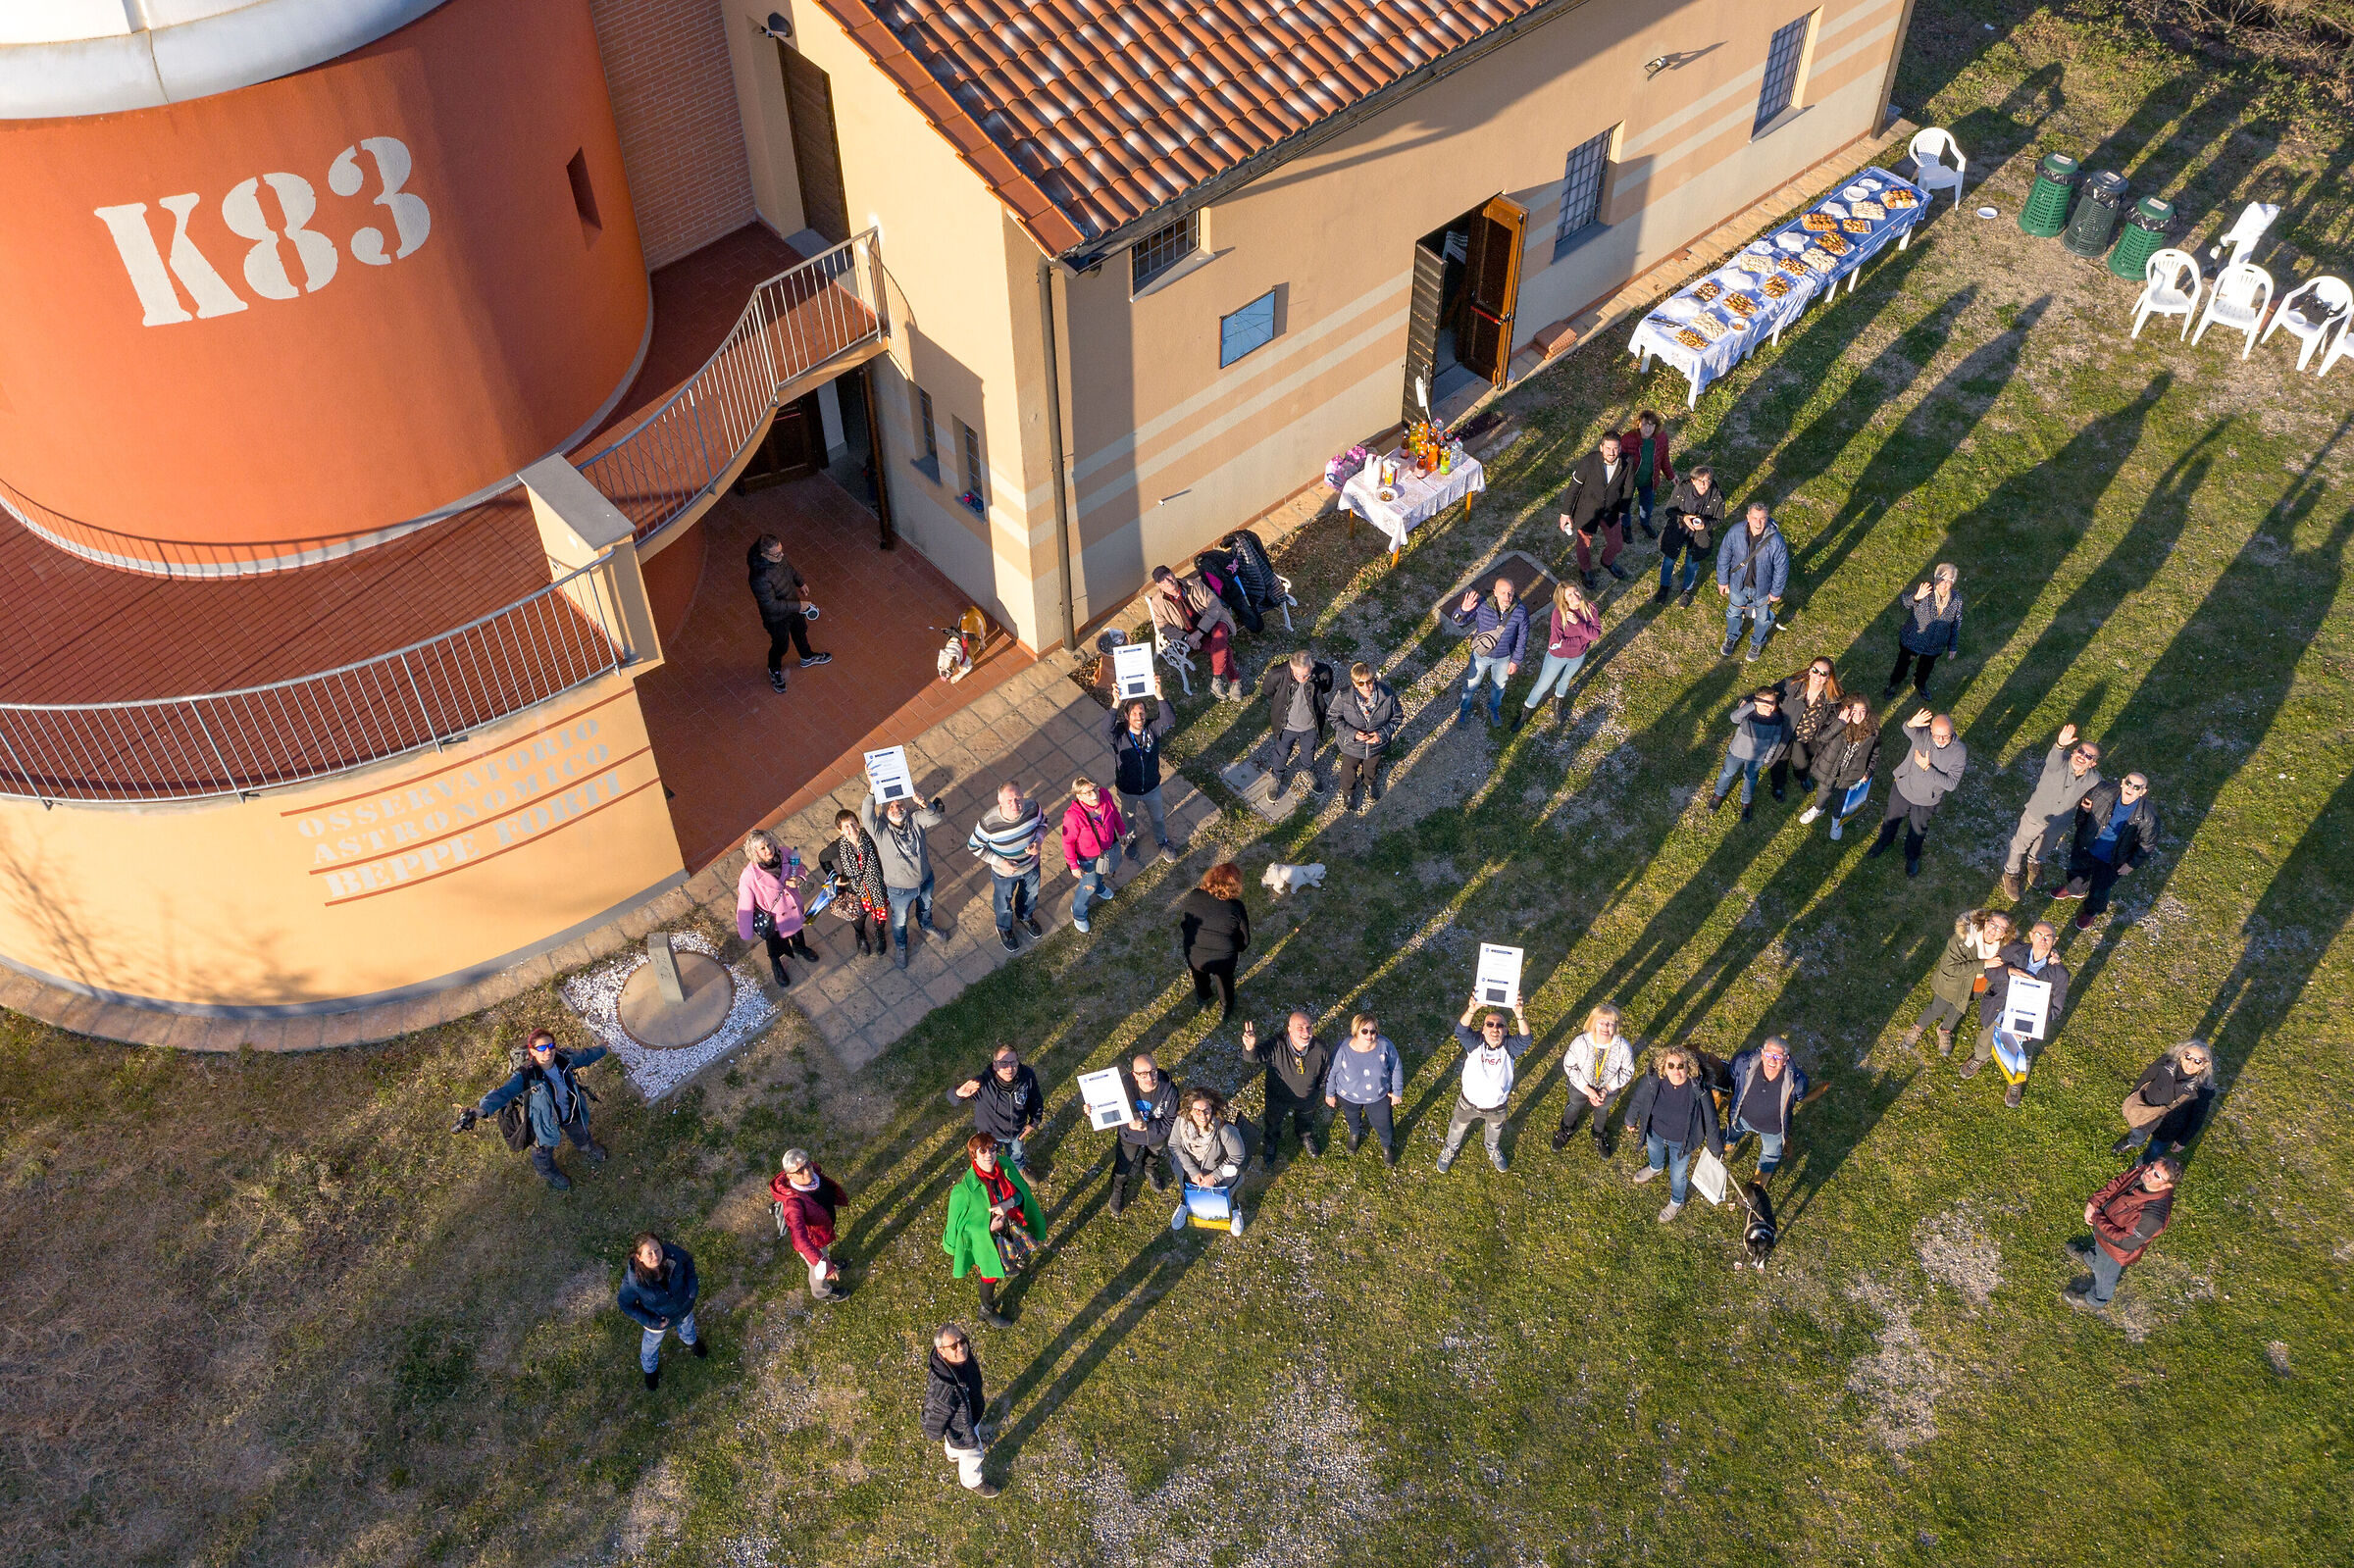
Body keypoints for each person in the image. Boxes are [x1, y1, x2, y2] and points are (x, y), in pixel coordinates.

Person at [464, 1027, 611, 1191]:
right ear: (532, 1051)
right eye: (541, 1048)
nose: (548, 1051)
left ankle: (587, 1147)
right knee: (543, 1151)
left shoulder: (563, 1059)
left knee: (580, 1132)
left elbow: (585, 1056)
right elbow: (503, 1093)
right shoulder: (526, 1075)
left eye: (550, 1046)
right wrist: (480, 1110)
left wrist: (605, 1048)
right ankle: (549, 1172)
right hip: (542, 1122)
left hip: (569, 1112)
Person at [1962, 918, 2072, 1108]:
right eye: (2038, 935)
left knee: (2022, 1054)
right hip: (2000, 1010)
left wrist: (2032, 1028)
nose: (2043, 940)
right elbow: (1990, 973)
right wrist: (2009, 971)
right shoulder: (2013, 951)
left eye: (2048, 936)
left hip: (2027, 1026)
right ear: (2031, 935)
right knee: (1986, 1038)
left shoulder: (2059, 974)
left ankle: (2015, 1081)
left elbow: (2056, 1008)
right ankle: (1980, 1057)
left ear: (2055, 940)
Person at [942, 1133, 1044, 1328]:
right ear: (974, 1156)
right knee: (990, 1274)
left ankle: (1011, 1263)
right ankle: (986, 1309)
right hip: (986, 1239)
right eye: (982, 1151)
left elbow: (1021, 1195)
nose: (989, 1154)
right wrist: (988, 1227)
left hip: (1011, 1225)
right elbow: (960, 1226)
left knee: (1016, 1251)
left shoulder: (1006, 1167)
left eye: (992, 1149)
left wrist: (1008, 1204)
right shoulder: (963, 1191)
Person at [1622, 1046, 1724, 1223]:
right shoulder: (1653, 1081)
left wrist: (1716, 1147)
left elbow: (1711, 1119)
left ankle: (1677, 1202)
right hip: (1655, 1131)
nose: (1676, 1070)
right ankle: (1655, 1168)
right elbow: (1638, 1099)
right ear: (1663, 1067)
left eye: (1681, 1065)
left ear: (1689, 1067)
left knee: (1678, 1175)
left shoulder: (1699, 1089)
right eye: (1671, 1065)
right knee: (1654, 1152)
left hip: (1681, 1141)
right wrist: (1630, 1119)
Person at [2068, 1157, 2179, 1315]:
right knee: (2099, 1248)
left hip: (2114, 1250)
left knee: (2105, 1273)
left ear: (2167, 1185)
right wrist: (2094, 1203)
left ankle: (2097, 1300)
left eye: (2157, 1175)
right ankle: (2091, 1259)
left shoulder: (2154, 1217)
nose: (2149, 1172)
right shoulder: (2143, 1173)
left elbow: (2125, 1242)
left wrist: (2098, 1218)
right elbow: (2118, 1182)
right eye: (2152, 1166)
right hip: (2103, 1230)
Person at [2001, 725, 2102, 900]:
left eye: (2088, 756)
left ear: (2093, 763)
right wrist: (2060, 744)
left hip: (2059, 822)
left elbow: (2102, 794)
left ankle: (2034, 862)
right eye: (2080, 751)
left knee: (2045, 845)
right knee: (2019, 845)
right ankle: (2011, 873)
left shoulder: (2094, 779)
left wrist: (2090, 806)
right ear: (2073, 752)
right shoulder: (2058, 764)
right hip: (2036, 815)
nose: (2082, 756)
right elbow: (2054, 756)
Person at [1437, 992, 1533, 1174]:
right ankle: (1450, 1148)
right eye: (1490, 1024)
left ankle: (1492, 1148)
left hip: (1497, 1108)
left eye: (1500, 1025)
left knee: (1495, 1130)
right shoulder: (1476, 1044)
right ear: (1482, 1029)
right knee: (1457, 1128)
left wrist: (1519, 1015)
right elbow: (1460, 1031)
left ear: (1506, 1031)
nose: (1495, 1028)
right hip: (1467, 1104)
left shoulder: (1509, 1048)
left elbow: (1526, 1039)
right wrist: (1471, 1010)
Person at [1868, 710, 1968, 876]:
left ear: (1953, 732)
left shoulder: (1959, 751)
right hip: (1903, 787)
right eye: (1937, 735)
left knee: (1918, 830)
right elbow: (1907, 729)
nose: (1940, 740)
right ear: (1931, 730)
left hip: (1926, 800)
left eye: (1946, 736)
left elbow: (1951, 784)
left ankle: (1912, 856)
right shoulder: (1924, 735)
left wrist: (1927, 768)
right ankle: (1884, 842)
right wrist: (1911, 723)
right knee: (1891, 819)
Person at [1903, 907, 2013, 1057]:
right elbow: (1950, 967)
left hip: (1976, 986)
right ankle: (1918, 1028)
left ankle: (1945, 1030)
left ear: (2005, 934)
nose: (1994, 930)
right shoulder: (1964, 938)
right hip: (1952, 984)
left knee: (1959, 1009)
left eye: (2000, 928)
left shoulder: (2005, 950)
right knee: (1937, 1008)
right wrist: (1983, 964)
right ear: (1986, 922)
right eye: (1992, 924)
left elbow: (2020, 958)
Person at [2057, 772, 2159, 930]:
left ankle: (2092, 911)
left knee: (2100, 889)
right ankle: (2075, 889)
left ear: (2143, 792)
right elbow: (2084, 809)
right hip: (2088, 845)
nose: (2131, 788)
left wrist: (2131, 864)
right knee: (2077, 870)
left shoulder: (2148, 817)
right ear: (2122, 782)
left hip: (2113, 860)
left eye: (2137, 787)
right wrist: (2082, 826)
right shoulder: (2102, 791)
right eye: (2129, 783)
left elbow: (2147, 844)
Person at [863, 787, 948, 968]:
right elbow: (867, 816)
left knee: (926, 907)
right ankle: (901, 947)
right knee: (900, 921)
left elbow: (935, 818)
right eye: (891, 806)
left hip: (925, 881)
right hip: (899, 890)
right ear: (884, 810)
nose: (896, 808)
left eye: (899, 804)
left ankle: (926, 925)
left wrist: (924, 804)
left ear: (906, 805)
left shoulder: (915, 818)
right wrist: (872, 792)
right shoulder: (880, 831)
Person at [1241, 1010, 1334, 1160]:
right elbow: (1255, 1057)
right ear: (1289, 1030)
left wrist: (1316, 1091)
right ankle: (1271, 1141)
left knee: (1306, 1119)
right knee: (1273, 1121)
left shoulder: (1320, 1048)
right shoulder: (1277, 1045)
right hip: (1278, 1098)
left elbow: (1325, 1072)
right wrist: (1250, 1048)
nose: (1306, 1032)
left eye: (1309, 1027)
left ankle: (1304, 1135)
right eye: (1300, 1028)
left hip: (1307, 1099)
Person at [617, 1233, 703, 1391]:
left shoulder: (673, 1255)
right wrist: (651, 1321)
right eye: (649, 1253)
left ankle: (692, 1342)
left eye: (657, 1250)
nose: (655, 1256)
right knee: (650, 1346)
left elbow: (688, 1261)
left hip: (683, 1308)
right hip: (658, 1321)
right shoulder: (634, 1281)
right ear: (639, 1257)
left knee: (688, 1326)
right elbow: (626, 1304)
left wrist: (692, 1288)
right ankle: (650, 1370)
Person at [967, 782, 1047, 953]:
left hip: (1031, 866)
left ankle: (1025, 916)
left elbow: (1042, 824)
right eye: (1009, 800)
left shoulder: (1033, 808)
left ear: (1023, 796)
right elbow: (974, 847)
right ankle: (1004, 928)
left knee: (1030, 895)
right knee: (1003, 903)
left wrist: (1038, 841)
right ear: (999, 801)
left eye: (1018, 799)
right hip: (1004, 873)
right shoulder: (988, 824)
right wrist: (1001, 862)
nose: (1015, 804)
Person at [921, 1324, 999, 1495]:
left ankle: (953, 1453)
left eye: (962, 1340)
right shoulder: (944, 1388)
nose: (961, 1347)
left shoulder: (961, 1359)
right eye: (954, 1346)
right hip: (963, 1429)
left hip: (971, 1415)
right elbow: (933, 1421)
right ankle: (972, 1481)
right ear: (941, 1351)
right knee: (974, 1455)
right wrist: (935, 1434)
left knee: (953, 1442)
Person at [747, 533, 832, 692]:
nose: (782, 555)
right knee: (781, 646)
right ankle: (774, 670)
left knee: (801, 632)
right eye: (777, 554)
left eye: (781, 551)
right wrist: (799, 606)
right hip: (777, 619)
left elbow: (788, 568)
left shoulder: (778, 558)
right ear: (764, 555)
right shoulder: (759, 578)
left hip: (793, 606)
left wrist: (800, 581)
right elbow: (771, 606)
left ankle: (807, 657)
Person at [737, 829, 818, 988]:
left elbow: (799, 867)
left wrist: (799, 879)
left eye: (769, 845)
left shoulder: (786, 853)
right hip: (774, 920)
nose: (768, 850)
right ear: (755, 852)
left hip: (793, 908)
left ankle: (800, 947)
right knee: (774, 945)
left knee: (798, 932)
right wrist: (745, 931)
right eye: (762, 848)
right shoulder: (749, 876)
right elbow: (745, 905)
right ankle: (776, 965)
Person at [1552, 1002, 1636, 1154]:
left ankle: (1598, 1135)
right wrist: (1587, 1089)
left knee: (1602, 1112)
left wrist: (1606, 1089)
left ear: (1616, 1026)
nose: (1605, 1027)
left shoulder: (1623, 1047)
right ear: (1593, 1023)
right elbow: (1569, 1066)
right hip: (1580, 1087)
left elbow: (1627, 1071)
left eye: (1610, 1023)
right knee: (1574, 1106)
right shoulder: (1581, 1042)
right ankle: (1565, 1130)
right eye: (1601, 1022)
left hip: (1608, 1091)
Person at [1149, 565, 1242, 700]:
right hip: (1191, 636)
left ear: (1173, 574)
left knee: (1220, 634)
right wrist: (1186, 638)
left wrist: (1200, 632)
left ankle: (1216, 679)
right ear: (1158, 585)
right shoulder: (1157, 602)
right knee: (1223, 648)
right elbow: (1164, 627)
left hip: (1214, 620)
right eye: (1162, 581)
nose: (1167, 582)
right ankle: (1234, 680)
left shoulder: (1194, 585)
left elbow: (1214, 606)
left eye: (1168, 576)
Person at [1519, 580, 1603, 731]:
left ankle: (1557, 703)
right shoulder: (1559, 613)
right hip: (1557, 657)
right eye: (1569, 595)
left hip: (1578, 656)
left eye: (1576, 591)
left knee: (1565, 680)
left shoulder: (1590, 608)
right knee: (1542, 685)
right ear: (1563, 599)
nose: (1575, 596)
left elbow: (1595, 634)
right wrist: (1584, 638)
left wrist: (1578, 623)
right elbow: (1557, 642)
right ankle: (1526, 711)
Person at [1324, 1012, 1404, 1168]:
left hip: (1378, 1096)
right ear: (1356, 1031)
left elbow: (1396, 1067)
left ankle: (1386, 1145)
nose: (1369, 1035)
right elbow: (1332, 1072)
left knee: (1384, 1124)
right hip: (1348, 1096)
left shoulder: (1385, 1046)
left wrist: (1397, 1092)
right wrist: (1330, 1093)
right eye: (1365, 1031)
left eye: (1373, 1031)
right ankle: (1355, 1133)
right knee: (1352, 1117)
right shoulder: (1343, 1049)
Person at [1105, 694, 1181, 859]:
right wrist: (1115, 704)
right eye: (1133, 713)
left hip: (1152, 787)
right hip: (1127, 790)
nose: (1138, 717)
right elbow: (1105, 730)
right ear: (1126, 716)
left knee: (1158, 817)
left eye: (1141, 713)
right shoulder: (1119, 734)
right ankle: (1130, 840)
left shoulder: (1152, 729)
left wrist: (1159, 695)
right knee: (1128, 817)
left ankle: (1161, 841)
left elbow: (1170, 720)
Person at [1724, 1036, 1811, 1179]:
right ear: (1763, 1054)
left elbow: (1800, 1096)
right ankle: (1729, 1143)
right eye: (1769, 1055)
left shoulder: (1797, 1081)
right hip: (1742, 1118)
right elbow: (1734, 1078)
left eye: (1778, 1057)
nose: (1772, 1061)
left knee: (1770, 1156)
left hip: (1773, 1131)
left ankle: (1759, 1180)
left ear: (1786, 1059)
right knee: (1732, 1133)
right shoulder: (1743, 1063)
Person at [1449, 575, 1529, 728]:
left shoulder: (1520, 611)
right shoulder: (1482, 605)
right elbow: (1458, 622)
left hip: (1503, 657)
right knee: (1471, 684)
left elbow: (1522, 637)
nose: (1507, 597)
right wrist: (1463, 610)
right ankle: (1464, 708)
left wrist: (1516, 661)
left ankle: (1493, 707)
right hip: (1481, 655)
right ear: (1495, 592)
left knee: (1499, 686)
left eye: (1510, 592)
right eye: (1503, 592)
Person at [2114, 1040, 2216, 1159]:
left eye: (2198, 1061)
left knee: (2155, 1150)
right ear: (2181, 1054)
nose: (2190, 1063)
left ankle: (2142, 1164)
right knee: (2138, 1131)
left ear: (2204, 1065)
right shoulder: (2165, 1063)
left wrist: (2182, 1141)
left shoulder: (2202, 1090)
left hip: (2168, 1128)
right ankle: (2133, 1142)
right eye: (2188, 1057)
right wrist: (2133, 1096)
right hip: (2146, 1110)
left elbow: (2197, 1119)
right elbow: (2146, 1077)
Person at [948, 1045, 1044, 1170]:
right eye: (1004, 1063)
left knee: (1017, 1154)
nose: (1009, 1068)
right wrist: (958, 1094)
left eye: (1013, 1062)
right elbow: (951, 1098)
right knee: (990, 1161)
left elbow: (1036, 1099)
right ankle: (994, 1176)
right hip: (990, 1135)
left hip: (1016, 1132)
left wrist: (1034, 1123)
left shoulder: (1027, 1076)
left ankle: (1018, 1170)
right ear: (995, 1065)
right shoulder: (983, 1083)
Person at [1560, 433, 1636, 588]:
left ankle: (1607, 562)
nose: (1612, 453)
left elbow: (1629, 488)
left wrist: (1623, 509)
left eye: (1615, 448)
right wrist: (1565, 513)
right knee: (1584, 545)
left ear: (1620, 448)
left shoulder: (1628, 462)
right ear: (1601, 448)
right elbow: (1574, 488)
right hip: (1588, 512)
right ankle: (1585, 570)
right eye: (1608, 448)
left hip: (1611, 511)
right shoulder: (1588, 461)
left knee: (1617, 545)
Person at [1168, 1086, 1248, 1231]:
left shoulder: (1225, 1130)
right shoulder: (1181, 1121)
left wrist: (1214, 1177)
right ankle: (1185, 1203)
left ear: (1212, 1108)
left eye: (1206, 1110)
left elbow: (1238, 1156)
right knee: (1186, 1185)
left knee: (1228, 1191)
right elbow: (1174, 1145)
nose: (1202, 1116)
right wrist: (1192, 1172)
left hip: (1219, 1169)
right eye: (1197, 1111)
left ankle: (1234, 1208)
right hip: (1189, 1169)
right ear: (1189, 1111)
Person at [771, 1148, 846, 1301]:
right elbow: (800, 1241)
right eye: (800, 1171)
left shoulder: (814, 1177)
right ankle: (822, 1292)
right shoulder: (793, 1204)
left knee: (824, 1253)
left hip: (821, 1233)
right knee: (818, 1269)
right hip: (813, 1243)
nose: (807, 1172)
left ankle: (826, 1259)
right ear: (790, 1176)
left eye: (807, 1165)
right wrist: (823, 1264)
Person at [1798, 695, 1879, 839]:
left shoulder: (1873, 730)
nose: (1858, 715)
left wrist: (1868, 772)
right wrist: (1840, 723)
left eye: (1862, 711)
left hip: (1851, 772)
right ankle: (1818, 808)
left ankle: (1837, 820)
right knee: (1824, 789)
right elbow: (1821, 738)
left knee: (1843, 797)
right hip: (1830, 765)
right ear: (1847, 709)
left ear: (1868, 711)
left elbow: (1874, 754)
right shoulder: (1836, 719)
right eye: (1854, 710)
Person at [1715, 502, 1788, 662]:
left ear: (1767, 518)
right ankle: (1731, 636)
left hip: (1763, 589)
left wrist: (1776, 592)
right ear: (1747, 517)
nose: (1758, 523)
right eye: (1755, 518)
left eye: (1762, 518)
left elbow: (1781, 568)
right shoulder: (1735, 532)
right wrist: (1722, 580)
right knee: (1733, 612)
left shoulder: (1776, 540)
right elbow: (1724, 556)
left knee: (1762, 619)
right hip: (1738, 585)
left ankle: (1757, 643)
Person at [1108, 1052, 1179, 1216]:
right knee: (1123, 1164)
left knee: (1154, 1155)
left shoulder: (1169, 1091)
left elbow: (1170, 1121)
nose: (1149, 1077)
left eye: (1153, 1071)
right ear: (1135, 1075)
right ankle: (1118, 1189)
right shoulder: (1122, 1087)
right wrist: (1092, 1110)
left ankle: (1149, 1169)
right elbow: (1106, 1107)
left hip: (1156, 1135)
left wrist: (1147, 1127)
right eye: (1143, 1074)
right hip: (1129, 1136)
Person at [1177, 862, 1251, 1019]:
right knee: (1225, 982)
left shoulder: (1195, 895)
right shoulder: (1236, 907)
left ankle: (1203, 1000)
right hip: (1224, 958)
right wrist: (1235, 948)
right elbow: (1245, 940)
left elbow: (1184, 923)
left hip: (1195, 954)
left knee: (1199, 976)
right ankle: (1226, 1008)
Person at [1255, 650, 1334, 798]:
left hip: (1310, 726)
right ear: (1291, 667)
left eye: (1306, 675)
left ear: (1312, 667)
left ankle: (1307, 769)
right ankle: (1277, 776)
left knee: (1309, 750)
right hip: (1286, 726)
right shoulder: (1277, 674)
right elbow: (1268, 691)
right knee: (1282, 752)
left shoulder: (1323, 672)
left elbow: (1326, 687)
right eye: (1297, 675)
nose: (1302, 679)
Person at [818, 808, 893, 959]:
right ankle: (861, 935)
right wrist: (834, 877)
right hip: (854, 891)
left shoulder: (869, 835)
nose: (852, 829)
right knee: (858, 919)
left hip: (876, 887)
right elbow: (823, 858)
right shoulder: (838, 846)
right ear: (840, 830)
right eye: (846, 826)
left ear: (858, 823)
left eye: (853, 824)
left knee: (880, 915)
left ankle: (879, 932)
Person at [1710, 685, 1793, 821]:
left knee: (1751, 778)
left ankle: (1746, 802)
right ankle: (1718, 795)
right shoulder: (1748, 713)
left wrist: (1767, 757)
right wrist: (1751, 706)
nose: (1770, 707)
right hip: (1737, 752)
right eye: (1765, 703)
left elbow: (1776, 740)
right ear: (1757, 702)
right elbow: (1733, 718)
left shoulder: (1776, 719)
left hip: (1757, 758)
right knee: (1727, 773)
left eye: (1772, 703)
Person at [1329, 662, 1402, 812]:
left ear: (1374, 679)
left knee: (1372, 766)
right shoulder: (1343, 696)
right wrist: (1352, 733)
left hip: (1376, 745)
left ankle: (1369, 782)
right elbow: (1334, 717)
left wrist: (1381, 734)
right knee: (1349, 769)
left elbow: (1397, 717)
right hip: (1351, 745)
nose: (1366, 686)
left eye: (1369, 681)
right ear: (1354, 683)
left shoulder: (1387, 695)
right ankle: (1348, 792)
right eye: (1361, 683)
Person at [1883, 565, 1964, 699]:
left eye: (1949, 580)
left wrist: (1952, 646)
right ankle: (1893, 685)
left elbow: (1956, 623)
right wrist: (1916, 597)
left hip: (1935, 645)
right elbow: (1904, 603)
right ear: (1936, 577)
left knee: (1925, 669)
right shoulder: (1926, 590)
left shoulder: (1957, 599)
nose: (1944, 583)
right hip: (1913, 639)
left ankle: (1920, 683)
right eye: (1941, 578)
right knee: (1902, 666)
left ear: (1953, 582)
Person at [1769, 658, 1843, 803]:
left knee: (1802, 763)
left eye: (1823, 673)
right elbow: (1770, 693)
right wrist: (1750, 699)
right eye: (1815, 670)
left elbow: (1836, 715)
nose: (1818, 676)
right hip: (1786, 731)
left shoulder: (1833, 697)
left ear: (1828, 677)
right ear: (1809, 671)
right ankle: (1778, 786)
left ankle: (1802, 777)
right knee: (1779, 761)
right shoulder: (1792, 684)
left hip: (1806, 738)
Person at [1059, 776, 1126, 934]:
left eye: (1095, 788)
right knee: (1088, 886)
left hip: (1105, 850)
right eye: (1088, 793)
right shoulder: (1073, 816)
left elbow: (1114, 813)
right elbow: (1067, 842)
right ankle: (1078, 913)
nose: (1095, 795)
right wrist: (1073, 865)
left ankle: (1099, 887)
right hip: (1087, 858)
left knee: (1101, 872)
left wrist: (1121, 831)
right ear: (1079, 796)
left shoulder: (1105, 795)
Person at [1654, 465, 1723, 604]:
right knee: (1669, 560)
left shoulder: (1717, 495)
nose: (1704, 484)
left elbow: (1719, 519)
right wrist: (1683, 517)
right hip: (1677, 531)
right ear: (1693, 481)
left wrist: (1705, 525)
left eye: (1707, 481)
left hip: (1698, 536)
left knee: (1692, 564)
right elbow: (1669, 510)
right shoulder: (1682, 489)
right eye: (1700, 481)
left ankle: (1686, 590)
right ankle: (1664, 586)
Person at [1618, 409, 1674, 540]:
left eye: (1651, 425)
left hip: (1649, 481)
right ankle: (1626, 527)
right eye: (1644, 424)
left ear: (1656, 426)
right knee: (1625, 505)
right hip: (1629, 481)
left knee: (1647, 506)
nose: (1648, 428)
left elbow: (1664, 459)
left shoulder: (1662, 438)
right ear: (1638, 424)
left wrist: (1671, 475)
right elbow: (1619, 461)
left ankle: (1645, 523)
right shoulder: (1627, 439)